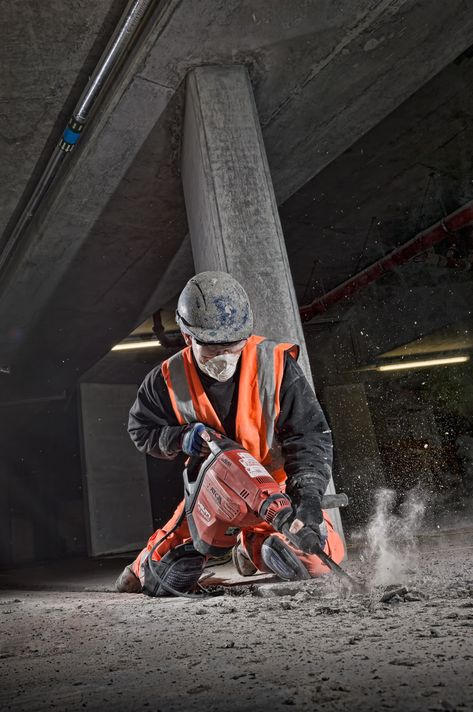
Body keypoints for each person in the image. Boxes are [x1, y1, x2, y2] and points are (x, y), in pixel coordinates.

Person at [116, 271, 344, 595]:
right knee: (160, 580)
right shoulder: (166, 380)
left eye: (234, 345)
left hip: (271, 488)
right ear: (186, 336)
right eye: (212, 349)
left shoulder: (276, 365)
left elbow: (309, 436)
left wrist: (307, 498)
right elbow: (141, 429)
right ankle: (143, 563)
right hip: (209, 493)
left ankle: (254, 544)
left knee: (315, 557)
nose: (224, 356)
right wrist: (180, 439)